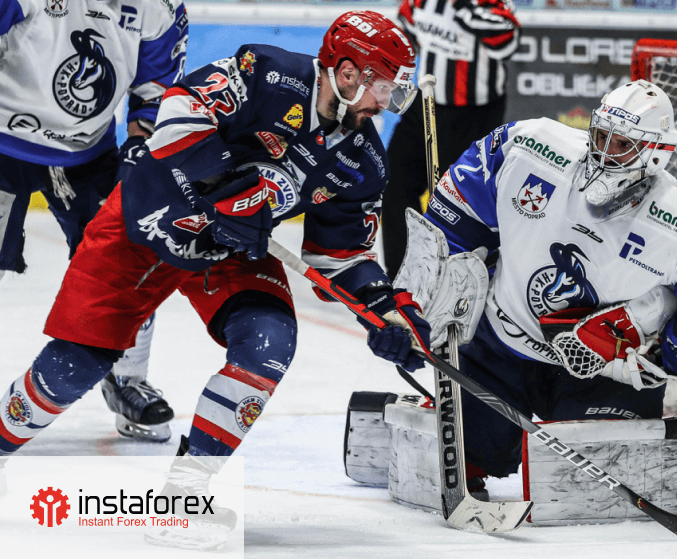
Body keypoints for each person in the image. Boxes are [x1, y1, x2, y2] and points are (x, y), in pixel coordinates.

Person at [0, 9, 431, 545]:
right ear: (347, 73)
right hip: (148, 218)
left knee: (269, 342)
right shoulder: (267, 72)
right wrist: (226, 187)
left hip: (230, 251)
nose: (385, 104)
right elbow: (179, 109)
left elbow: (340, 256)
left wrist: (386, 312)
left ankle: (184, 498)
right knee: (72, 368)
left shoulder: (363, 162)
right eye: (383, 87)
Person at [408, 80, 677, 490]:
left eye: (623, 144)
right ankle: (466, 435)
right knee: (456, 460)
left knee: (594, 491)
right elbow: (452, 220)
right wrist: (429, 304)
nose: (604, 152)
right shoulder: (529, 147)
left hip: (602, 373)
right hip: (499, 351)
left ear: (656, 152)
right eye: (601, 136)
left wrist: (664, 356)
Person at [0, 0, 190, 442]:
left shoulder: (160, 6)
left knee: (130, 258)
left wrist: (141, 148)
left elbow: (157, 90)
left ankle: (127, 378)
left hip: (88, 153)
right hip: (3, 142)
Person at [382, 0, 520, 276]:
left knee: (459, 199)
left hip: (473, 114)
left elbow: (507, 42)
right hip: (425, 104)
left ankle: (458, 277)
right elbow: (406, 25)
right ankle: (402, 275)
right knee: (395, 182)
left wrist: (465, 10)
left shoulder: (489, 3)